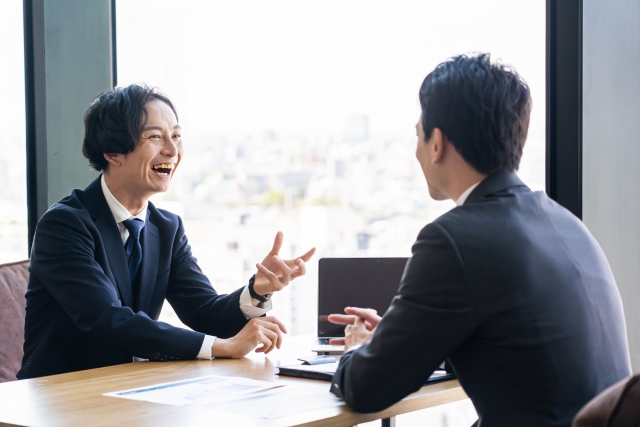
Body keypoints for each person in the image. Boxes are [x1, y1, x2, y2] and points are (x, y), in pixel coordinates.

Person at [327, 53, 631, 427]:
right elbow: (514, 343)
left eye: (418, 135)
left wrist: (358, 349)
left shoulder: (453, 239)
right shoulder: (562, 221)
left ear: (436, 143)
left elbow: (366, 389)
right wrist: (397, 336)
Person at [18, 84, 315, 379]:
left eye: (176, 136)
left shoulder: (167, 228)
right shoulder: (64, 225)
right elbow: (107, 319)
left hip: (128, 390)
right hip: (58, 396)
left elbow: (204, 312)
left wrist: (256, 291)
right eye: (155, 137)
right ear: (112, 152)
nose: (172, 151)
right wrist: (220, 347)